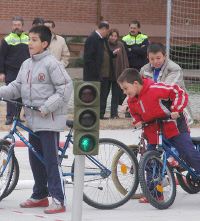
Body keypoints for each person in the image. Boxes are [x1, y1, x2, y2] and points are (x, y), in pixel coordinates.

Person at [0, 25, 73, 214]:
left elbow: (65, 88)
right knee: (35, 159)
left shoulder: (52, 63)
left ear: (44, 43)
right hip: (33, 121)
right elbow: (16, 86)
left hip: (48, 120)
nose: (29, 43)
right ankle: (40, 195)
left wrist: (47, 106)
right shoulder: (27, 64)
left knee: (50, 160)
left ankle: (58, 199)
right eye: (29, 39)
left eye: (33, 40)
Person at [118, 68, 200, 203]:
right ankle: (155, 194)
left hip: (174, 126)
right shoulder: (132, 100)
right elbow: (134, 113)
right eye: (123, 90)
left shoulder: (155, 88)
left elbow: (179, 93)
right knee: (150, 161)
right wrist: (137, 121)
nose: (125, 92)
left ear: (136, 84)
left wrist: (176, 109)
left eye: (126, 88)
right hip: (153, 131)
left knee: (188, 153)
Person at [140, 42, 193, 124]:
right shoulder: (144, 70)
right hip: (156, 108)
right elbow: (137, 88)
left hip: (176, 108)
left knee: (179, 135)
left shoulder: (175, 69)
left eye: (158, 58)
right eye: (152, 59)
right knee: (155, 134)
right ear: (148, 58)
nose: (155, 61)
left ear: (165, 56)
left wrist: (147, 93)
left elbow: (167, 90)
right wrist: (127, 104)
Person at [83, 21, 120, 119]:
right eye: (107, 31)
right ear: (104, 29)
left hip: (104, 74)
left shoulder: (102, 39)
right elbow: (88, 58)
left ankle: (100, 114)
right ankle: (93, 114)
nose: (107, 34)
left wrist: (113, 53)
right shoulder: (92, 38)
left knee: (103, 95)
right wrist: (95, 72)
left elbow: (107, 52)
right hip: (94, 75)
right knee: (94, 95)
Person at [0, 16, 29, 125]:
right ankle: (9, 117)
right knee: (10, 94)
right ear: (12, 26)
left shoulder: (28, 38)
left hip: (25, 71)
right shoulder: (7, 39)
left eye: (18, 25)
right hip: (11, 71)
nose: (16, 27)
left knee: (22, 95)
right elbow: (1, 56)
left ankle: (17, 117)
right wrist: (2, 72)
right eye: (14, 25)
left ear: (22, 26)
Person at [107, 28, 129, 118]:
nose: (113, 37)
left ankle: (114, 114)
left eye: (115, 36)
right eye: (112, 35)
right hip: (107, 73)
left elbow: (124, 59)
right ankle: (101, 113)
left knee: (115, 95)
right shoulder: (105, 44)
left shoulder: (120, 45)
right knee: (104, 94)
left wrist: (125, 71)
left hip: (118, 74)